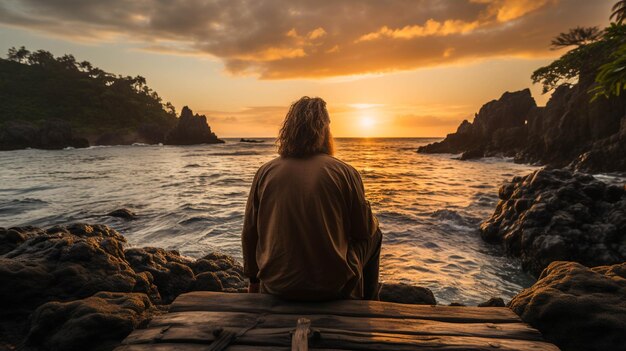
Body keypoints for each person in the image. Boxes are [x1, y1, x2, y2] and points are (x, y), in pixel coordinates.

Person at [241, 96, 382, 301]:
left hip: (277, 287)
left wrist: (254, 281)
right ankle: (368, 305)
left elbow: (249, 234)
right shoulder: (344, 172)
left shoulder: (266, 172)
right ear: (324, 130)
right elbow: (364, 230)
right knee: (375, 233)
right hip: (331, 288)